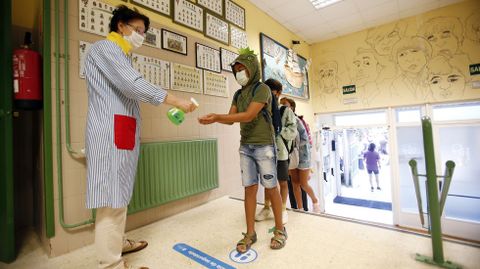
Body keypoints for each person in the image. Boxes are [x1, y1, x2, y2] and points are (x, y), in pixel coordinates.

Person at [84, 6, 197, 269]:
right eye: (137, 30)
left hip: (120, 131)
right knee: (111, 199)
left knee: (118, 195)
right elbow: (133, 84)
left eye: (143, 33)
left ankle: (118, 243)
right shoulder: (105, 49)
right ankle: (111, 264)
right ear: (120, 26)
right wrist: (175, 100)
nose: (140, 36)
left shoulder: (122, 55)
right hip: (110, 132)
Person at [198, 48, 287, 253]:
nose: (239, 73)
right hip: (245, 146)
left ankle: (280, 230)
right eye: (236, 70)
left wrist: (217, 116)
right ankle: (250, 233)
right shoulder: (238, 93)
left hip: (264, 145)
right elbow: (231, 119)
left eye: (242, 69)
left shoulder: (262, 89)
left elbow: (248, 116)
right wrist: (214, 118)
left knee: (271, 187)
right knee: (249, 188)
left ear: (252, 69)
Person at [255, 79, 297, 224]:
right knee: (268, 182)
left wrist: (277, 130)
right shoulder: (261, 111)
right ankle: (267, 208)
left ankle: (283, 209)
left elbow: (292, 132)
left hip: (281, 153)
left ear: (278, 93)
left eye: (270, 91)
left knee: (283, 182)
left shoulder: (286, 111)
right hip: (266, 152)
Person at [282, 98, 320, 213]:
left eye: (285, 105)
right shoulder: (283, 121)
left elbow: (306, 141)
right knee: (294, 183)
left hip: (303, 156)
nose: (282, 107)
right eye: (281, 105)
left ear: (292, 107)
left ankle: (315, 201)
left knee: (303, 184)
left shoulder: (298, 120)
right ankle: (300, 208)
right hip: (292, 156)